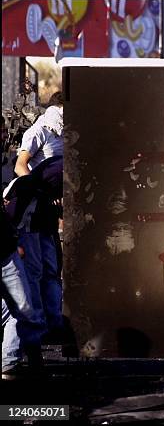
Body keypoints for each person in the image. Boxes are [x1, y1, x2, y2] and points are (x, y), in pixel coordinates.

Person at [12, 92, 64, 346]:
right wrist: (37, 190)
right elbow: (21, 165)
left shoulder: (66, 134)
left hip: (47, 212)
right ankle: (39, 326)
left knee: (51, 269)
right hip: (32, 210)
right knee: (35, 270)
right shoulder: (40, 130)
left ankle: (53, 323)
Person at [2, 203, 44, 375]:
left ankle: (13, 362)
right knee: (22, 311)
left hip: (6, 255)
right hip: (7, 256)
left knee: (23, 311)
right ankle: (14, 362)